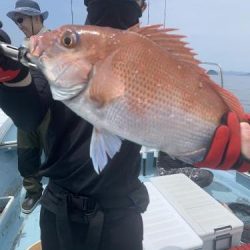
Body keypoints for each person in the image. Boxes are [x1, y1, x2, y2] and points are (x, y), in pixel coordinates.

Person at [0, 1, 250, 250]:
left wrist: (233, 139)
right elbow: (29, 114)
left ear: (142, 5)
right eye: (68, 41)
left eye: (67, 41)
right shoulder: (62, 58)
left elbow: (176, 115)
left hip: (121, 214)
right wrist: (8, 73)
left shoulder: (146, 50)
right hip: (59, 210)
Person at [6, 0, 51, 214]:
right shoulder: (21, 46)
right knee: (26, 153)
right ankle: (33, 192)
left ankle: (59, 189)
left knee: (56, 149)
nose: (18, 24)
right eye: (16, 20)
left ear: (36, 18)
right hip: (27, 104)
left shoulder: (56, 40)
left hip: (52, 106)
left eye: (21, 19)